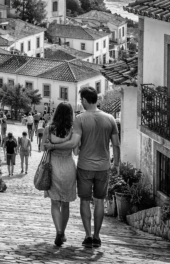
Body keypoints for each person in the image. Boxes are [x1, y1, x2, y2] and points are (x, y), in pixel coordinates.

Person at [44, 87, 120, 249]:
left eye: (81, 100)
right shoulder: (110, 118)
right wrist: (116, 165)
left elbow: (73, 144)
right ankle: (97, 237)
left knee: (85, 201)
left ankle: (87, 236)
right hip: (103, 167)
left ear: (85, 100)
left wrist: (53, 144)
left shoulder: (80, 119)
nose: (81, 103)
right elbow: (116, 145)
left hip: (85, 166)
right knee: (99, 201)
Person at [42, 102, 77, 247]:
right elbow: (76, 151)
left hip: (53, 167)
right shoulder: (73, 131)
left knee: (55, 202)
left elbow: (43, 147)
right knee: (66, 204)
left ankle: (58, 232)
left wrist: (53, 145)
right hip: (69, 166)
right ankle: (62, 231)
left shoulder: (49, 129)